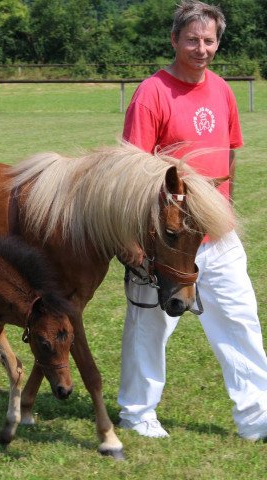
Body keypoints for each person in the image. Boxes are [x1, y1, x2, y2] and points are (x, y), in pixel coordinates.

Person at [118, 0, 267, 441]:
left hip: (217, 238)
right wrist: (138, 242)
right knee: (150, 326)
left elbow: (230, 153)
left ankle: (257, 419)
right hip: (165, 241)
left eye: (209, 40)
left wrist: (226, 211)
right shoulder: (152, 92)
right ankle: (138, 413)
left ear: (218, 42)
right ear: (174, 40)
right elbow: (132, 171)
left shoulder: (222, 90)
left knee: (241, 322)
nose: (201, 48)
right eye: (192, 39)